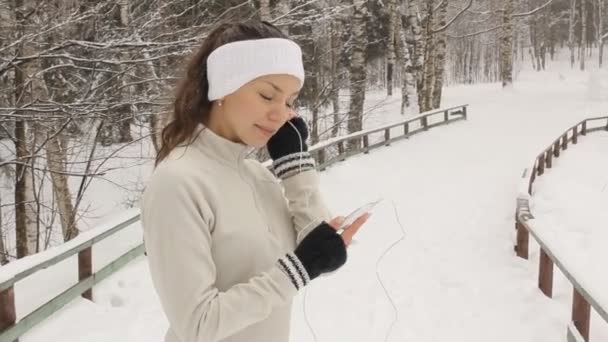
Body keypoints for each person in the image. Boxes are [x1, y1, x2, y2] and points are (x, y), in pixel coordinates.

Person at [140, 20, 370, 342]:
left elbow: (313, 251)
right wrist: (298, 269)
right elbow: (197, 324)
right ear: (222, 88)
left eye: (289, 101)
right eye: (267, 95)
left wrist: (295, 166)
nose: (281, 114)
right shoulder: (178, 183)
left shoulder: (258, 175)